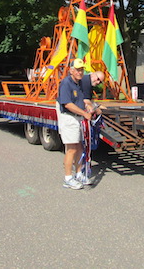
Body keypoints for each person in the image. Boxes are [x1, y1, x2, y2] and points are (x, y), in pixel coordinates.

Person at [56, 59, 92, 190]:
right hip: (69, 118)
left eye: (81, 69)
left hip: (78, 118)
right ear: (71, 70)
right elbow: (67, 104)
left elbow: (81, 100)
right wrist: (84, 113)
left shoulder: (79, 83)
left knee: (79, 148)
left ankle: (78, 174)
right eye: (77, 69)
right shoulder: (66, 83)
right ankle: (67, 178)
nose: (80, 72)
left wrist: (89, 106)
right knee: (71, 149)